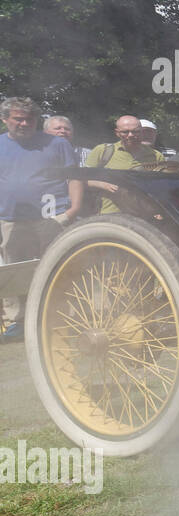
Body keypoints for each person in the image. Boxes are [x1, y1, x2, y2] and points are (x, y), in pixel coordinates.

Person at [0, 97, 83, 342]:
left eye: (30, 119)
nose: (25, 123)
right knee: (17, 272)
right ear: (5, 119)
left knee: (59, 268)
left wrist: (73, 210)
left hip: (52, 218)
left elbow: (75, 177)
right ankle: (20, 322)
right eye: (18, 118)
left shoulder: (57, 144)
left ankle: (62, 320)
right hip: (11, 219)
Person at [85, 115, 165, 214]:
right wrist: (103, 184)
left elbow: (162, 188)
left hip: (144, 217)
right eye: (125, 132)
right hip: (107, 215)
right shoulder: (102, 151)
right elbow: (81, 179)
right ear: (117, 133)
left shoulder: (156, 156)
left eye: (135, 131)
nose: (130, 135)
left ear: (141, 132)